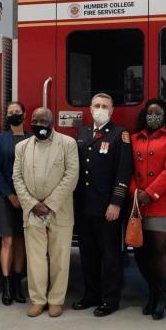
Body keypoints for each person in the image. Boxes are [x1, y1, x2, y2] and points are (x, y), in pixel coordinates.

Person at [12, 107, 79, 318]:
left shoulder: (68, 143)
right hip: (32, 211)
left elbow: (71, 175)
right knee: (35, 259)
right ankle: (38, 300)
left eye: (44, 121)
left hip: (59, 210)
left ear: (52, 123)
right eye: (35, 120)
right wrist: (32, 204)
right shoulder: (22, 147)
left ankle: (56, 300)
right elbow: (17, 178)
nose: (39, 124)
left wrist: (49, 204)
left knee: (60, 257)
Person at [72, 93, 133, 317]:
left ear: (112, 110)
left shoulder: (120, 135)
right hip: (84, 205)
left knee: (109, 255)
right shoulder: (83, 133)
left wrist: (116, 203)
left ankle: (110, 299)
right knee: (87, 253)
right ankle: (91, 294)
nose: (100, 108)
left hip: (107, 207)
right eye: (96, 105)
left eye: (104, 106)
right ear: (90, 109)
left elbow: (124, 172)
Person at [129, 98, 166, 320]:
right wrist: (136, 193)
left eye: (158, 113)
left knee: (159, 250)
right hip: (139, 203)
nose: (153, 117)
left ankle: (162, 297)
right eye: (149, 113)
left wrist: (150, 193)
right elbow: (129, 168)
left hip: (162, 202)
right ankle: (151, 295)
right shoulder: (134, 138)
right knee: (142, 253)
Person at [0, 101, 30, 305]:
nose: (13, 114)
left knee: (21, 241)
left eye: (17, 111)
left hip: (27, 197)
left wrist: (25, 196)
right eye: (10, 112)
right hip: (4, 196)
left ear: (25, 114)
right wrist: (9, 195)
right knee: (7, 240)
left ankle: (17, 285)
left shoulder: (32, 138)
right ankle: (5, 286)